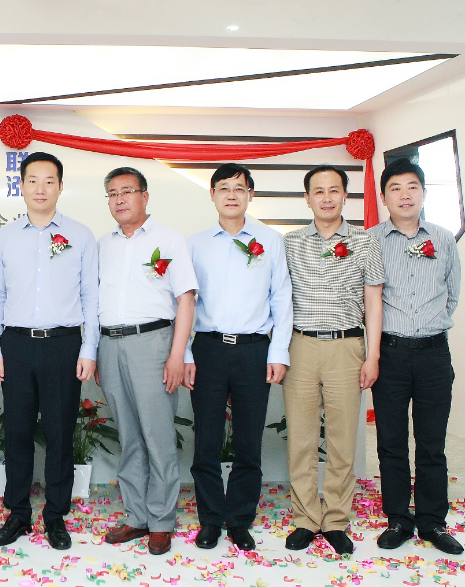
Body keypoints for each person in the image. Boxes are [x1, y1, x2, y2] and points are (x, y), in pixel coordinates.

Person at [0, 152, 98, 550]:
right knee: (16, 431)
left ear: (60, 187)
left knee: (60, 432)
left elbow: (90, 295)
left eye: (49, 181)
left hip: (63, 345)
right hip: (15, 344)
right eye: (32, 180)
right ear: (21, 186)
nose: (40, 188)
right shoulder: (5, 237)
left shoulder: (81, 235)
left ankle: (55, 516)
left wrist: (89, 347)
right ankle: (18, 514)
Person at [183, 163, 292, 552]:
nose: (232, 195)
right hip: (208, 349)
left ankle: (240, 519)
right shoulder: (194, 244)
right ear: (212, 194)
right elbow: (185, 303)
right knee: (207, 439)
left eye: (239, 188)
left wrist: (278, 351)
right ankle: (211, 519)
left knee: (249, 439)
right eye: (224, 188)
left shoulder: (270, 240)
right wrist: (186, 352)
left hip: (254, 350)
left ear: (250, 195)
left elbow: (282, 297)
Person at [281, 165, 384, 555]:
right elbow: (277, 297)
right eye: (318, 191)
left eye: (334, 190)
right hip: (300, 346)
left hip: (347, 347)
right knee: (302, 438)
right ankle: (306, 518)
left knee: (343, 438)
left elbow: (374, 301)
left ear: (345, 196)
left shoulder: (365, 240)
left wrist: (372, 355)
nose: (326, 198)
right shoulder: (290, 243)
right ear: (307, 198)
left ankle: (337, 519)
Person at [96, 167, 197, 555]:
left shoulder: (169, 240)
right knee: (128, 436)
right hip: (110, 344)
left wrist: (177, 354)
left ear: (145, 196)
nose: (119, 199)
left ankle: (161, 520)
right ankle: (136, 516)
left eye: (127, 191)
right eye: (113, 193)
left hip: (153, 343)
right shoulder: (103, 245)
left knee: (157, 436)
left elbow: (185, 300)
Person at [368, 158, 462, 555]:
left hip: (433, 355)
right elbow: (368, 298)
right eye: (396, 188)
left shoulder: (443, 239)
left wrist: (430, 324)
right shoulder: (371, 240)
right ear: (384, 197)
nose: (405, 195)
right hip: (389, 354)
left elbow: (452, 294)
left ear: (423, 193)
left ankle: (432, 521)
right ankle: (398, 519)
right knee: (391, 442)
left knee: (431, 443)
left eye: (412, 187)